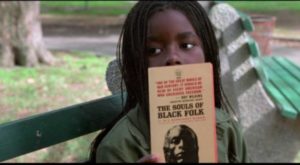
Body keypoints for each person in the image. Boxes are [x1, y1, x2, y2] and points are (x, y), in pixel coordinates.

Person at [89, 1, 251, 163]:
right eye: (154, 50)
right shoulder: (117, 147)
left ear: (207, 54)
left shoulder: (226, 128)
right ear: (135, 64)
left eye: (186, 45)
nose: (173, 58)